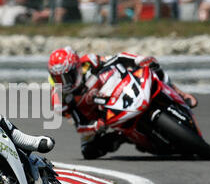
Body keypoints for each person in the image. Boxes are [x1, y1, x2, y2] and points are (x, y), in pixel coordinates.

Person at [47, 46, 198, 159]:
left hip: (119, 92)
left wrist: (138, 59)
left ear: (77, 68)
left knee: (153, 69)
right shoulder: (59, 100)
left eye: (67, 77)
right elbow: (78, 124)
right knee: (89, 151)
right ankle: (125, 136)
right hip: (100, 118)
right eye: (58, 79)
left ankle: (180, 93)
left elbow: (117, 57)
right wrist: (95, 126)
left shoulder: (90, 62)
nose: (64, 83)